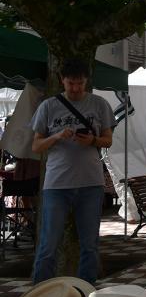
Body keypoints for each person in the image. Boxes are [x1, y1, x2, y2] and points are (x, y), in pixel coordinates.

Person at [30, 59, 114, 284]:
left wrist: (93, 140)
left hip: (91, 183)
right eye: (70, 83)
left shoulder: (99, 104)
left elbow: (108, 140)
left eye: (80, 83)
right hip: (56, 184)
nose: (75, 88)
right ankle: (39, 293)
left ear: (86, 81)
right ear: (61, 81)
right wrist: (56, 136)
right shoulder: (48, 106)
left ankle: (85, 292)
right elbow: (36, 146)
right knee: (48, 244)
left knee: (90, 244)